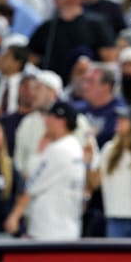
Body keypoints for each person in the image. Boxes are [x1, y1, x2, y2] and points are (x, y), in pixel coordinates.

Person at [88, 103, 131, 238]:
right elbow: (94, 183)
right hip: (114, 217)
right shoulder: (109, 149)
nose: (118, 121)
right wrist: (89, 162)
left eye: (124, 119)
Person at [24, 101, 86, 239]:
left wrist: (39, 152)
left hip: (49, 231)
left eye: (50, 117)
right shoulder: (73, 146)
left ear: (61, 121)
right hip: (66, 227)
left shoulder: (59, 149)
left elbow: (32, 183)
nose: (46, 121)